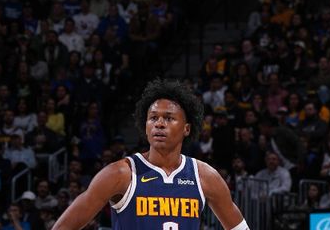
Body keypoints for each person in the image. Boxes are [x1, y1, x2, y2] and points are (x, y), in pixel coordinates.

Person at [51, 79, 247, 230]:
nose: (159, 124)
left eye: (169, 118)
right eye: (153, 118)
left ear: (187, 128)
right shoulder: (120, 174)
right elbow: (63, 227)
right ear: (145, 127)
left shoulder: (205, 176)